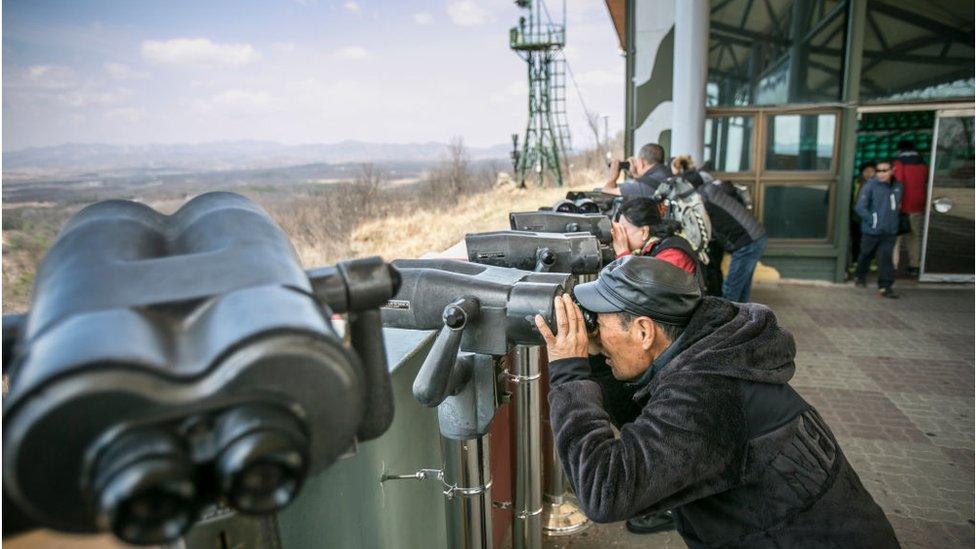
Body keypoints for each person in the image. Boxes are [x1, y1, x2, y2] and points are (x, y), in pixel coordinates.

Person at [533, 256, 900, 548]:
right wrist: (599, 355)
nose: (592, 329)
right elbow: (653, 425)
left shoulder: (707, 395)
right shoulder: (714, 351)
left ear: (644, 331)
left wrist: (569, 373)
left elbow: (604, 491)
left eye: (599, 322)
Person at [689, 171, 767, 302]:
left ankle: (731, 320)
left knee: (731, 289)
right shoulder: (713, 189)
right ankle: (745, 318)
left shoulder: (702, 198)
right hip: (756, 236)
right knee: (742, 287)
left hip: (748, 242)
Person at [854, 159, 903, 298]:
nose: (881, 174)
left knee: (886, 258)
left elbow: (897, 205)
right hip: (872, 230)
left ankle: (885, 286)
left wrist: (894, 223)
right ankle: (860, 276)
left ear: (892, 170)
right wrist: (873, 220)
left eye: (884, 170)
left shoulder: (898, 186)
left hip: (890, 230)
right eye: (878, 171)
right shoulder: (870, 186)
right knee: (866, 254)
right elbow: (860, 207)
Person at [892, 140, 927, 277]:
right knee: (914, 236)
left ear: (900, 150)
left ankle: (894, 264)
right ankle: (914, 265)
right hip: (917, 205)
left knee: (896, 238)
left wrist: (896, 203)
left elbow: (898, 184)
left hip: (902, 206)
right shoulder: (923, 164)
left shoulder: (899, 163)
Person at [601, 143, 670, 198]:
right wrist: (635, 174)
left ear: (641, 161)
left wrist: (613, 178)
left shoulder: (645, 185)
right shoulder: (666, 173)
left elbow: (606, 191)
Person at [850, 161, 877, 273]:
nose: (869, 174)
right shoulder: (856, 182)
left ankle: (871, 262)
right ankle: (856, 262)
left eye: (872, 171)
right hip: (856, 217)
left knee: (871, 241)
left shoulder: (878, 184)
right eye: (866, 171)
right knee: (856, 240)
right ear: (862, 172)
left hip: (871, 218)